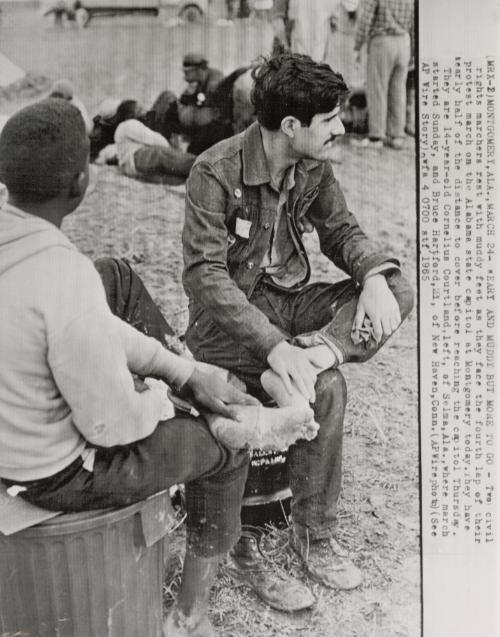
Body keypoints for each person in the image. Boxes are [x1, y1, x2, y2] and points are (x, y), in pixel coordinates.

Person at [0, 99, 316, 636]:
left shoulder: (37, 255)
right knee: (226, 448)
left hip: (15, 431)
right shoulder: (64, 278)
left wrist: (180, 371)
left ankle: (204, 390)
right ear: (82, 183)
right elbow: (112, 427)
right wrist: (158, 398)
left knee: (114, 277)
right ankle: (190, 615)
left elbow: (89, 320)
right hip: (49, 476)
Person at [182, 52, 414, 611]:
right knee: (328, 391)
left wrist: (372, 276)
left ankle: (315, 537)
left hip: (291, 312)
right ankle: (246, 547)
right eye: (330, 118)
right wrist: (271, 347)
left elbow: (343, 232)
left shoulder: (314, 167)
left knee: (402, 287)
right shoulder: (214, 171)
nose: (340, 127)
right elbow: (205, 277)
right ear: (291, 126)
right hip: (228, 328)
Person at [353, 0, 414, 149]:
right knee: (399, 91)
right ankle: (397, 135)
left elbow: (366, 19)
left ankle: (376, 137)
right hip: (404, 41)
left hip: (382, 41)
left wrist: (357, 45)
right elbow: (414, 21)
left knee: (377, 90)